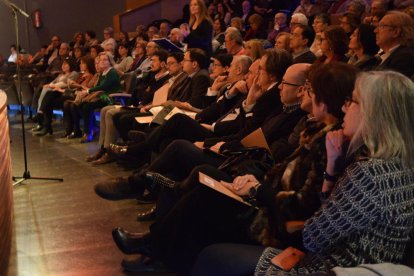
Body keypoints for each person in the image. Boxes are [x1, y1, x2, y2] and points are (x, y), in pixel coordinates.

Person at [76, 52, 122, 143]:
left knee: (87, 106)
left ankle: (88, 133)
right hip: (103, 96)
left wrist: (88, 91)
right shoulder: (103, 73)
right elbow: (99, 87)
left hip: (111, 99)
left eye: (105, 60)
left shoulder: (112, 72)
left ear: (110, 61)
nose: (102, 62)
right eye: (101, 60)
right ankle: (92, 128)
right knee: (82, 105)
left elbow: (103, 86)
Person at [62, 56, 98, 138]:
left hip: (84, 96)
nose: (81, 65)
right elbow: (77, 87)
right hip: (77, 94)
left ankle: (77, 129)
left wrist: (77, 85)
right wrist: (74, 85)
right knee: (66, 104)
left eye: (83, 63)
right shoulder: (81, 75)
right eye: (80, 63)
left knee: (71, 104)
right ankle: (70, 129)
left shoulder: (91, 76)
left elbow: (87, 88)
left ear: (88, 64)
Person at [374, 10, 414, 77]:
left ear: (396, 32)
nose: (375, 31)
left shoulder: (404, 58)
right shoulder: (385, 55)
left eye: (381, 26)